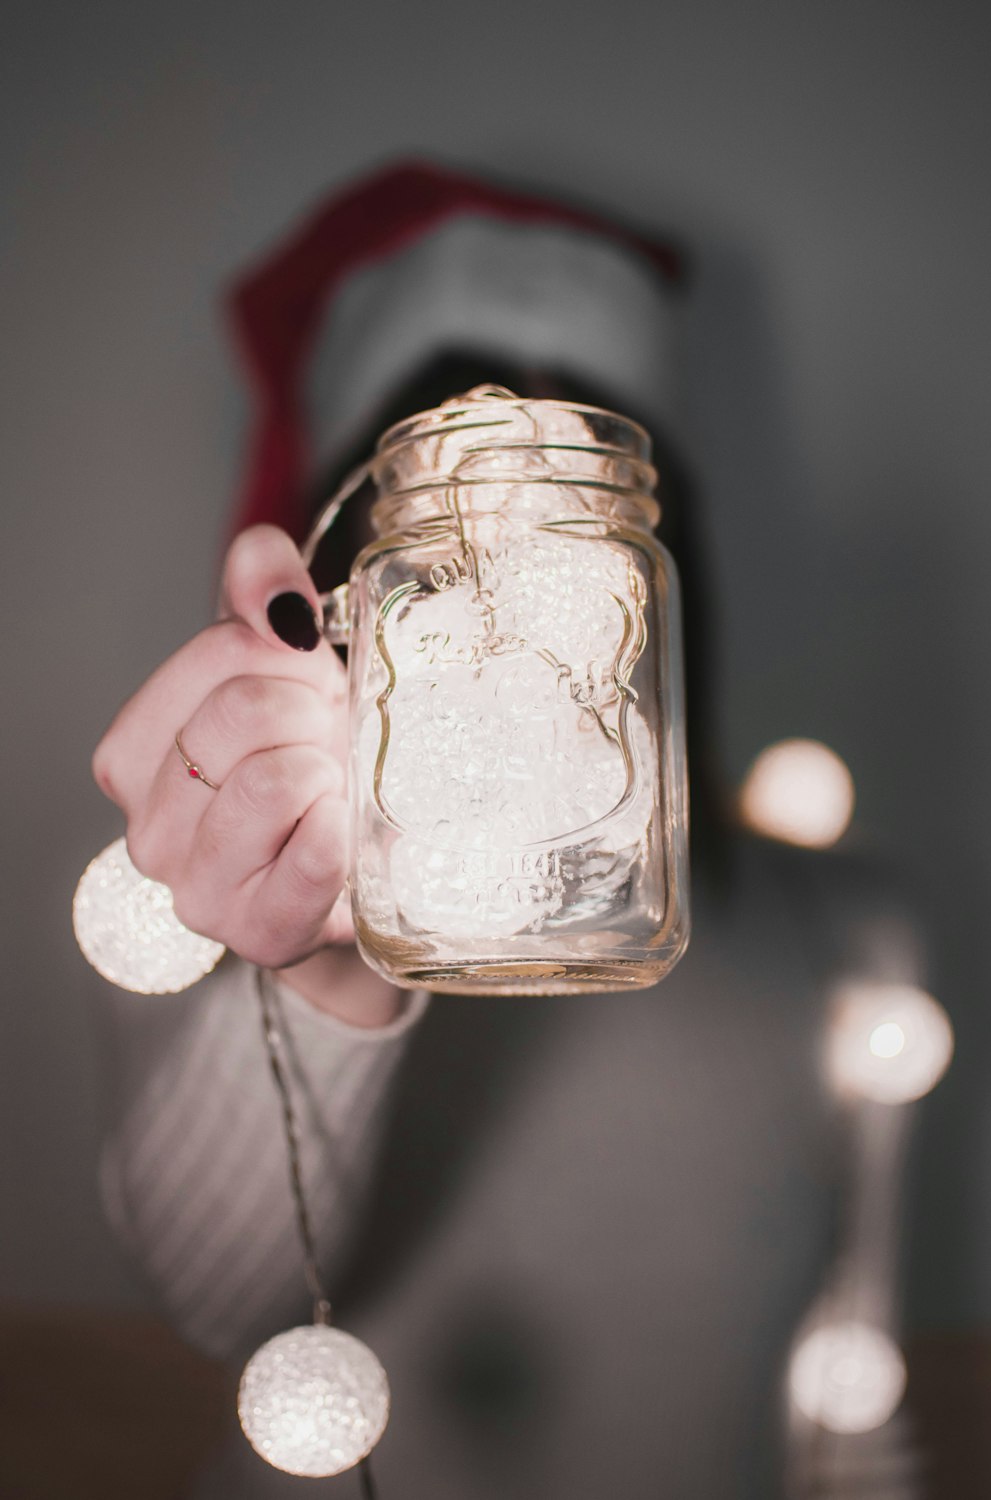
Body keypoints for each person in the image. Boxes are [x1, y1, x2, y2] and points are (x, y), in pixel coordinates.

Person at [92, 162, 924, 1498]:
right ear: (362, 585)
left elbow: (852, 1372)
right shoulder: (197, 901)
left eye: (565, 517)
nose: (508, 572)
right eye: (455, 536)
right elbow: (223, 1302)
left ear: (645, 585)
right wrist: (325, 969)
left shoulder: (854, 932)